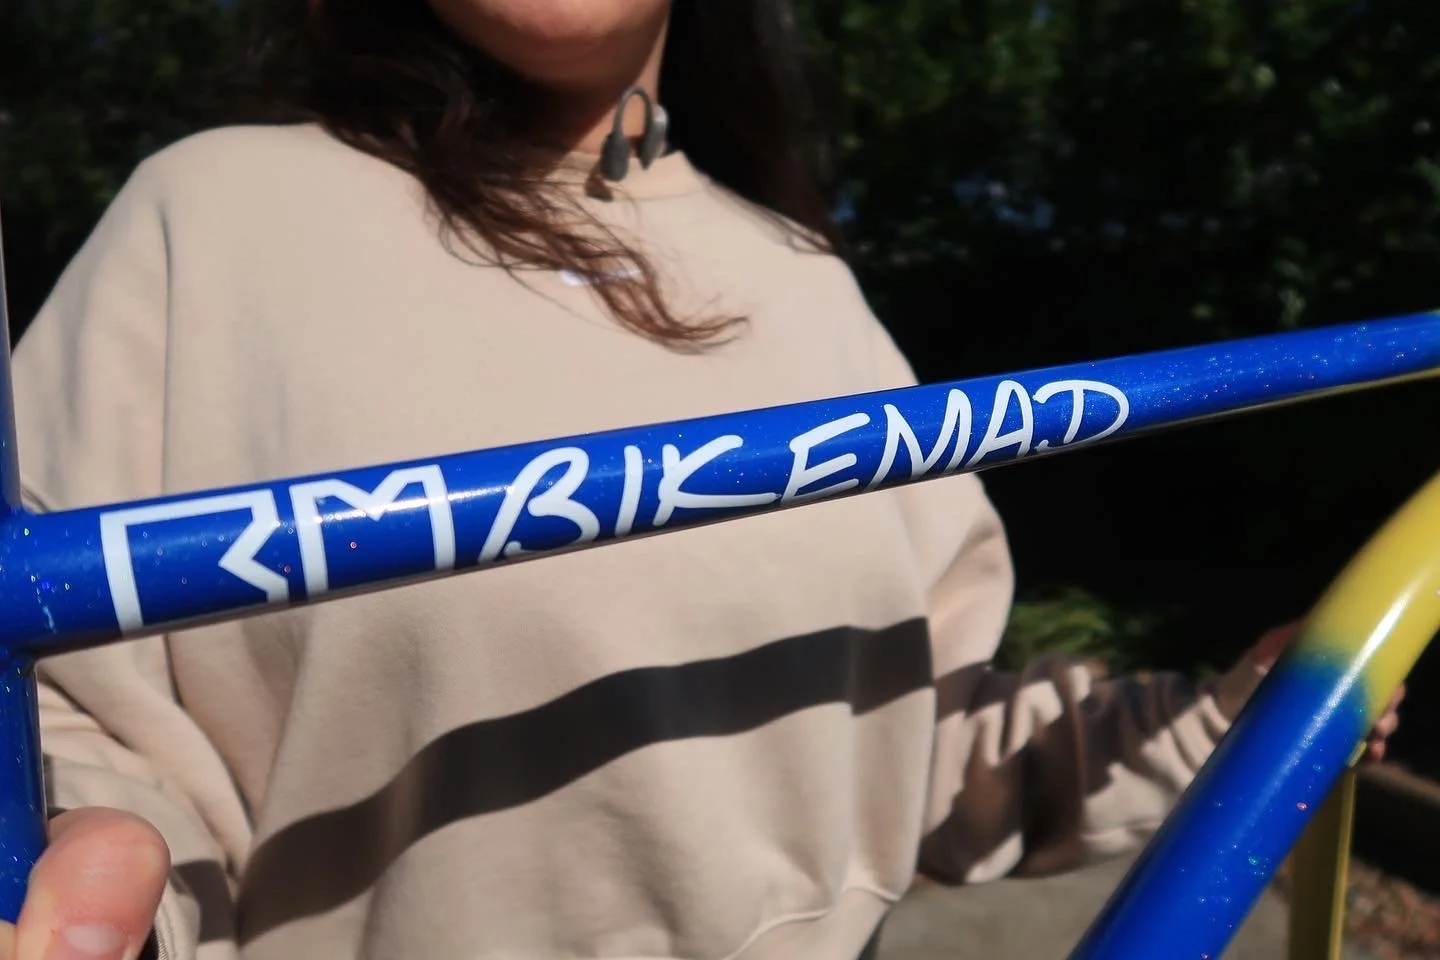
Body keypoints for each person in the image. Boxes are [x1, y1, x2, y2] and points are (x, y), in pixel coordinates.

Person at [1, 2, 1403, 959]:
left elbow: (919, 752)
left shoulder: (811, 286)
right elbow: (76, 716)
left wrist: (1226, 713)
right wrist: (106, 869)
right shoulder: (215, 217)